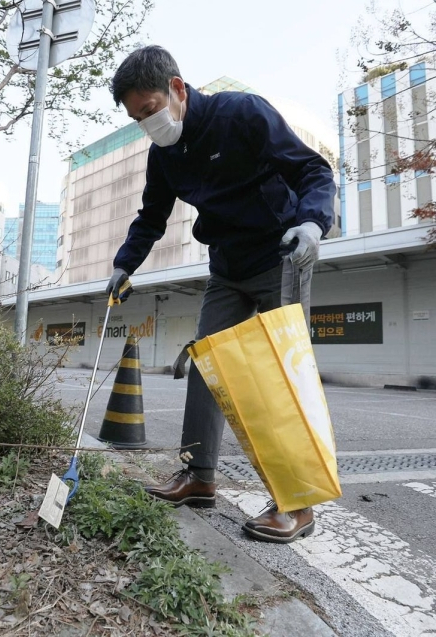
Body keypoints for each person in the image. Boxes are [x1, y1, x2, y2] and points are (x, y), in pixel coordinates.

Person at [106, 46, 335, 544]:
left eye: (150, 111)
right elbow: (150, 217)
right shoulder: (163, 153)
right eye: (137, 118)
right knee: (209, 366)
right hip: (227, 265)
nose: (149, 124)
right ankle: (198, 476)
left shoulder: (242, 113)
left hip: (282, 253)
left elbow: (312, 171)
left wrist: (314, 223)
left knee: (282, 374)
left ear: (178, 89)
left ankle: (297, 502)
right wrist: (125, 265)